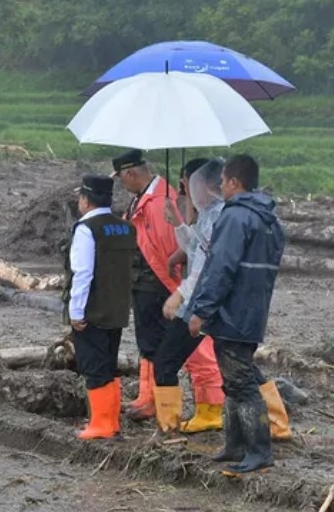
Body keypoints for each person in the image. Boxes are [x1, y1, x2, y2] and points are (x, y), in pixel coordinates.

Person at [188, 154, 286, 475]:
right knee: (232, 381)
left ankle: (259, 450)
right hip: (253, 312)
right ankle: (234, 445)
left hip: (232, 314)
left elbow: (220, 269)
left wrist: (200, 310)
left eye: (223, 181)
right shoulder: (269, 220)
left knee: (242, 384)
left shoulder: (235, 217)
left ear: (233, 182)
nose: (220, 187)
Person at [152, 159, 227, 433]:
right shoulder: (209, 214)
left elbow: (202, 267)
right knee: (237, 364)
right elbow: (194, 250)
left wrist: (179, 296)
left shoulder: (217, 216)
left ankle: (169, 429)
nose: (186, 189)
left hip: (202, 301)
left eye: (188, 183)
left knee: (166, 361)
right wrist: (178, 221)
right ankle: (275, 424)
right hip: (206, 300)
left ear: (205, 184)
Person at [110, 149, 180, 421]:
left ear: (130, 173)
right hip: (142, 282)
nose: (121, 185)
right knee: (146, 341)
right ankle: (146, 396)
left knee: (157, 344)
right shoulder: (142, 198)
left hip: (156, 283)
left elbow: (167, 248)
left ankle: (158, 405)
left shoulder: (160, 201)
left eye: (121, 178)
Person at [64, 174, 135, 440]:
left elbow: (82, 273)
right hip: (117, 309)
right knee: (109, 363)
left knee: (94, 365)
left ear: (85, 200)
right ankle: (111, 422)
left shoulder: (86, 229)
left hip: (93, 309)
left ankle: (101, 424)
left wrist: (76, 311)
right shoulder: (126, 227)